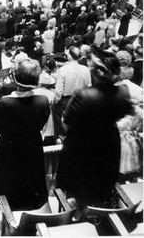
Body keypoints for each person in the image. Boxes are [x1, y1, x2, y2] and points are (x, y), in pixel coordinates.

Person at [57, 50, 133, 207]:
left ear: (97, 73)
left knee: (81, 191)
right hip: (110, 143)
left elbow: (66, 123)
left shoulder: (83, 95)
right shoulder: (123, 92)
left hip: (82, 146)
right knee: (101, 187)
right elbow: (124, 114)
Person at [0, 58, 50, 210]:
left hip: (9, 149)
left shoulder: (4, 102)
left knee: (8, 186)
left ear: (16, 79)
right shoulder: (43, 101)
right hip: (33, 146)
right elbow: (41, 123)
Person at [53, 46, 91, 138]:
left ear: (69, 56)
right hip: (81, 99)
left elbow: (58, 92)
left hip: (66, 101)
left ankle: (61, 135)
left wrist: (56, 101)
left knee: (54, 108)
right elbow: (89, 86)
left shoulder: (63, 70)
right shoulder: (85, 69)